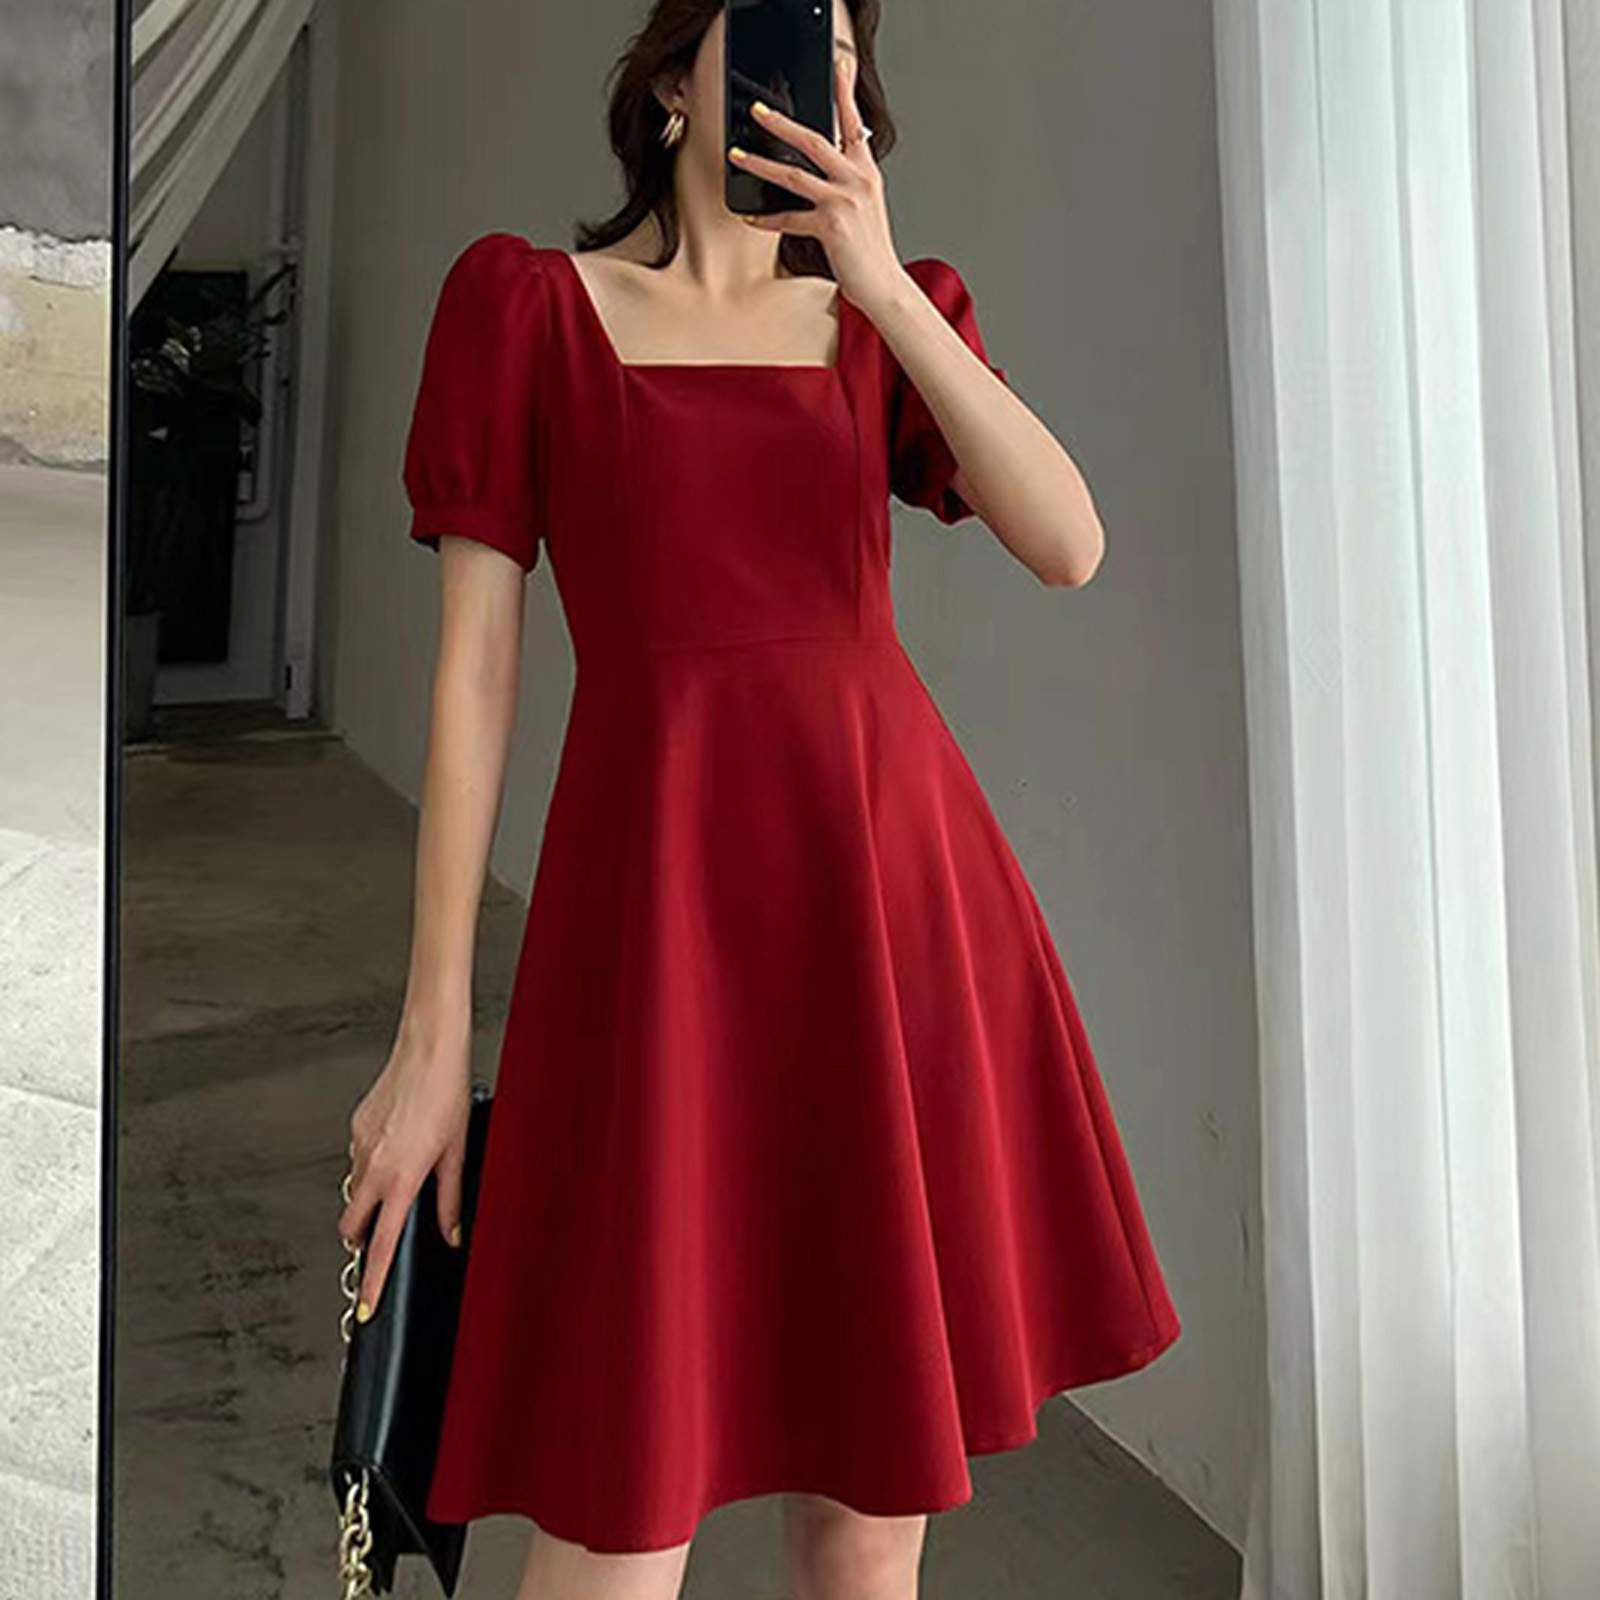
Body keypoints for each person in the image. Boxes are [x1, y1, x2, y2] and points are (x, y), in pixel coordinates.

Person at [338, 2, 1182, 1596]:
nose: (822, 80)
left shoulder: (884, 321)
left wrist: (880, 284)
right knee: (615, 1507)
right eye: (786, 37)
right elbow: (477, 679)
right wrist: (432, 1034)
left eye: (844, 60)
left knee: (868, 1522)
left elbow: (1070, 543)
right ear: (673, 81)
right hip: (655, 931)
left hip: (884, 910)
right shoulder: (525, 308)